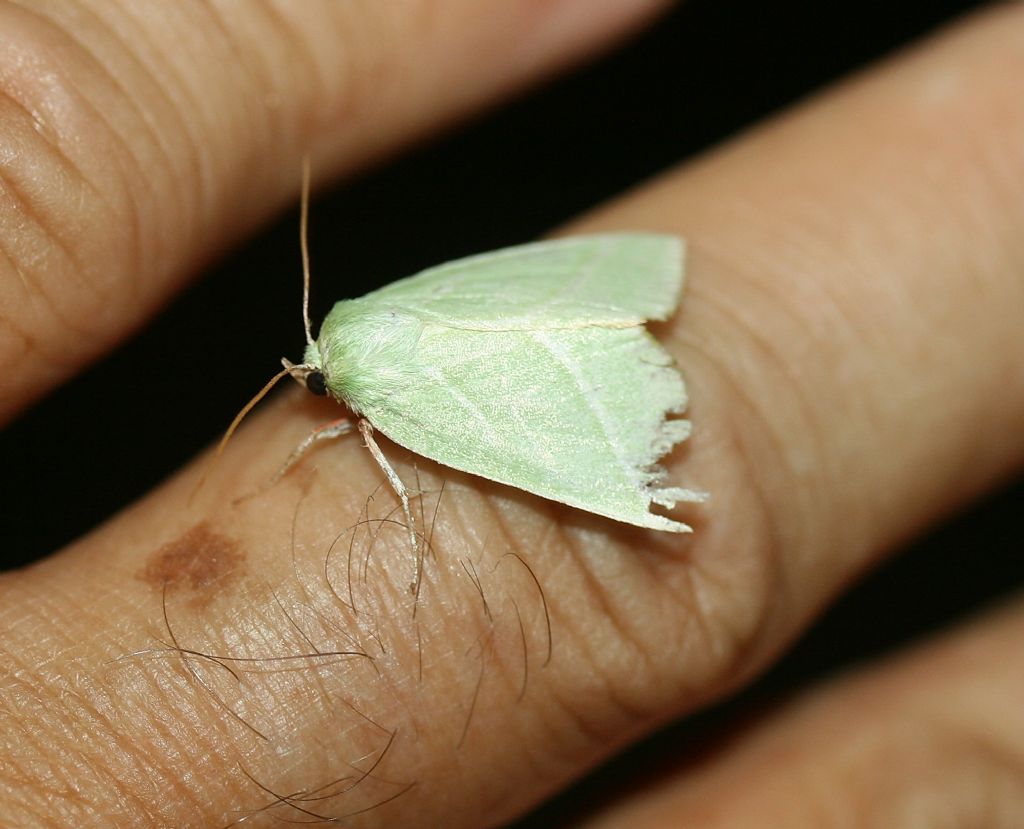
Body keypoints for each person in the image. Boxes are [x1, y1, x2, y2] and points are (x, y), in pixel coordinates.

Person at [1, 2, 1022, 826]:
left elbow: (372, 442)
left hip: (496, 388)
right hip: (549, 291)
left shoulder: (358, 394)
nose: (311, 375)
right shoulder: (362, 327)